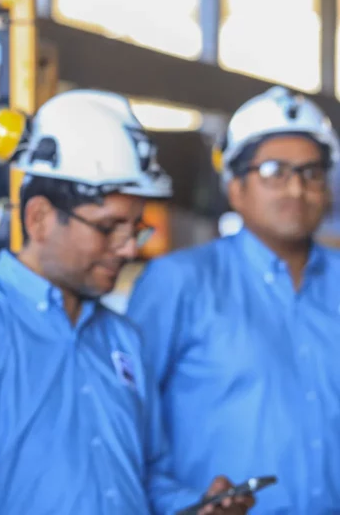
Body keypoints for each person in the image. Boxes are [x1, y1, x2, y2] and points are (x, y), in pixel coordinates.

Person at [0, 89, 254, 515]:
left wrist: (196, 505)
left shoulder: (122, 338)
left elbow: (144, 474)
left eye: (134, 228)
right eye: (108, 228)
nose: (128, 249)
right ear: (39, 218)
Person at [128, 85, 340, 514]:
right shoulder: (179, 283)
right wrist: (184, 504)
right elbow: (126, 424)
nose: (297, 189)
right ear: (236, 186)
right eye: (274, 171)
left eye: (311, 173)